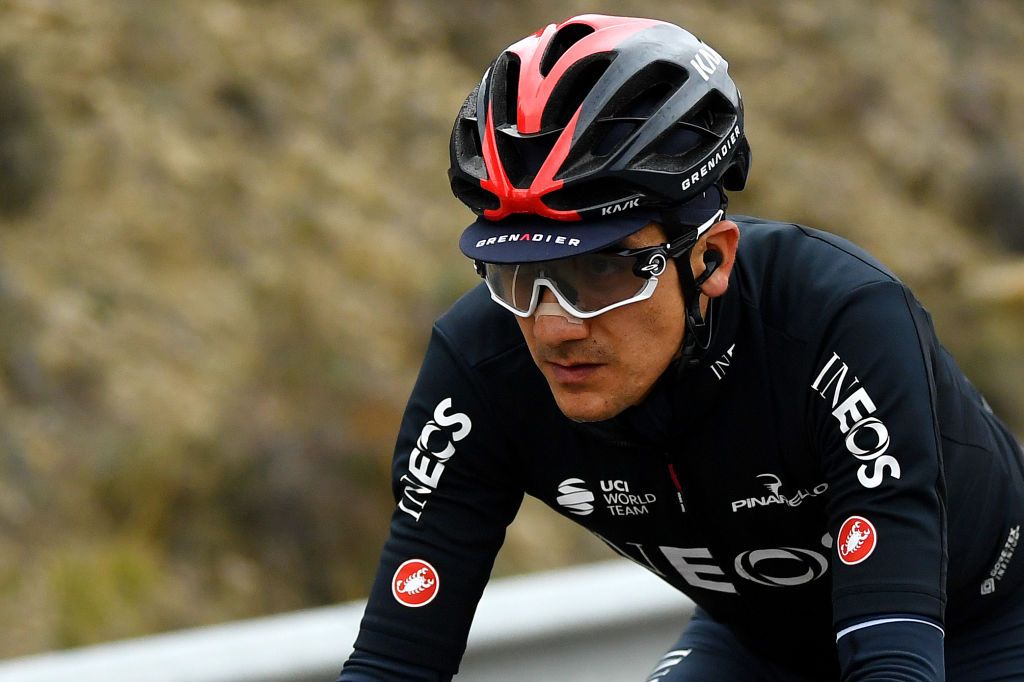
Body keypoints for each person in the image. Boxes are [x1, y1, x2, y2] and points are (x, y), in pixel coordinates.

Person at [339, 14, 1024, 681]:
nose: (554, 327)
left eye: (601, 270)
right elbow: (395, 661)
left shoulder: (838, 320)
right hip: (763, 645)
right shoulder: (481, 363)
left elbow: (893, 658)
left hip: (986, 625)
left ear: (712, 260)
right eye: (516, 274)